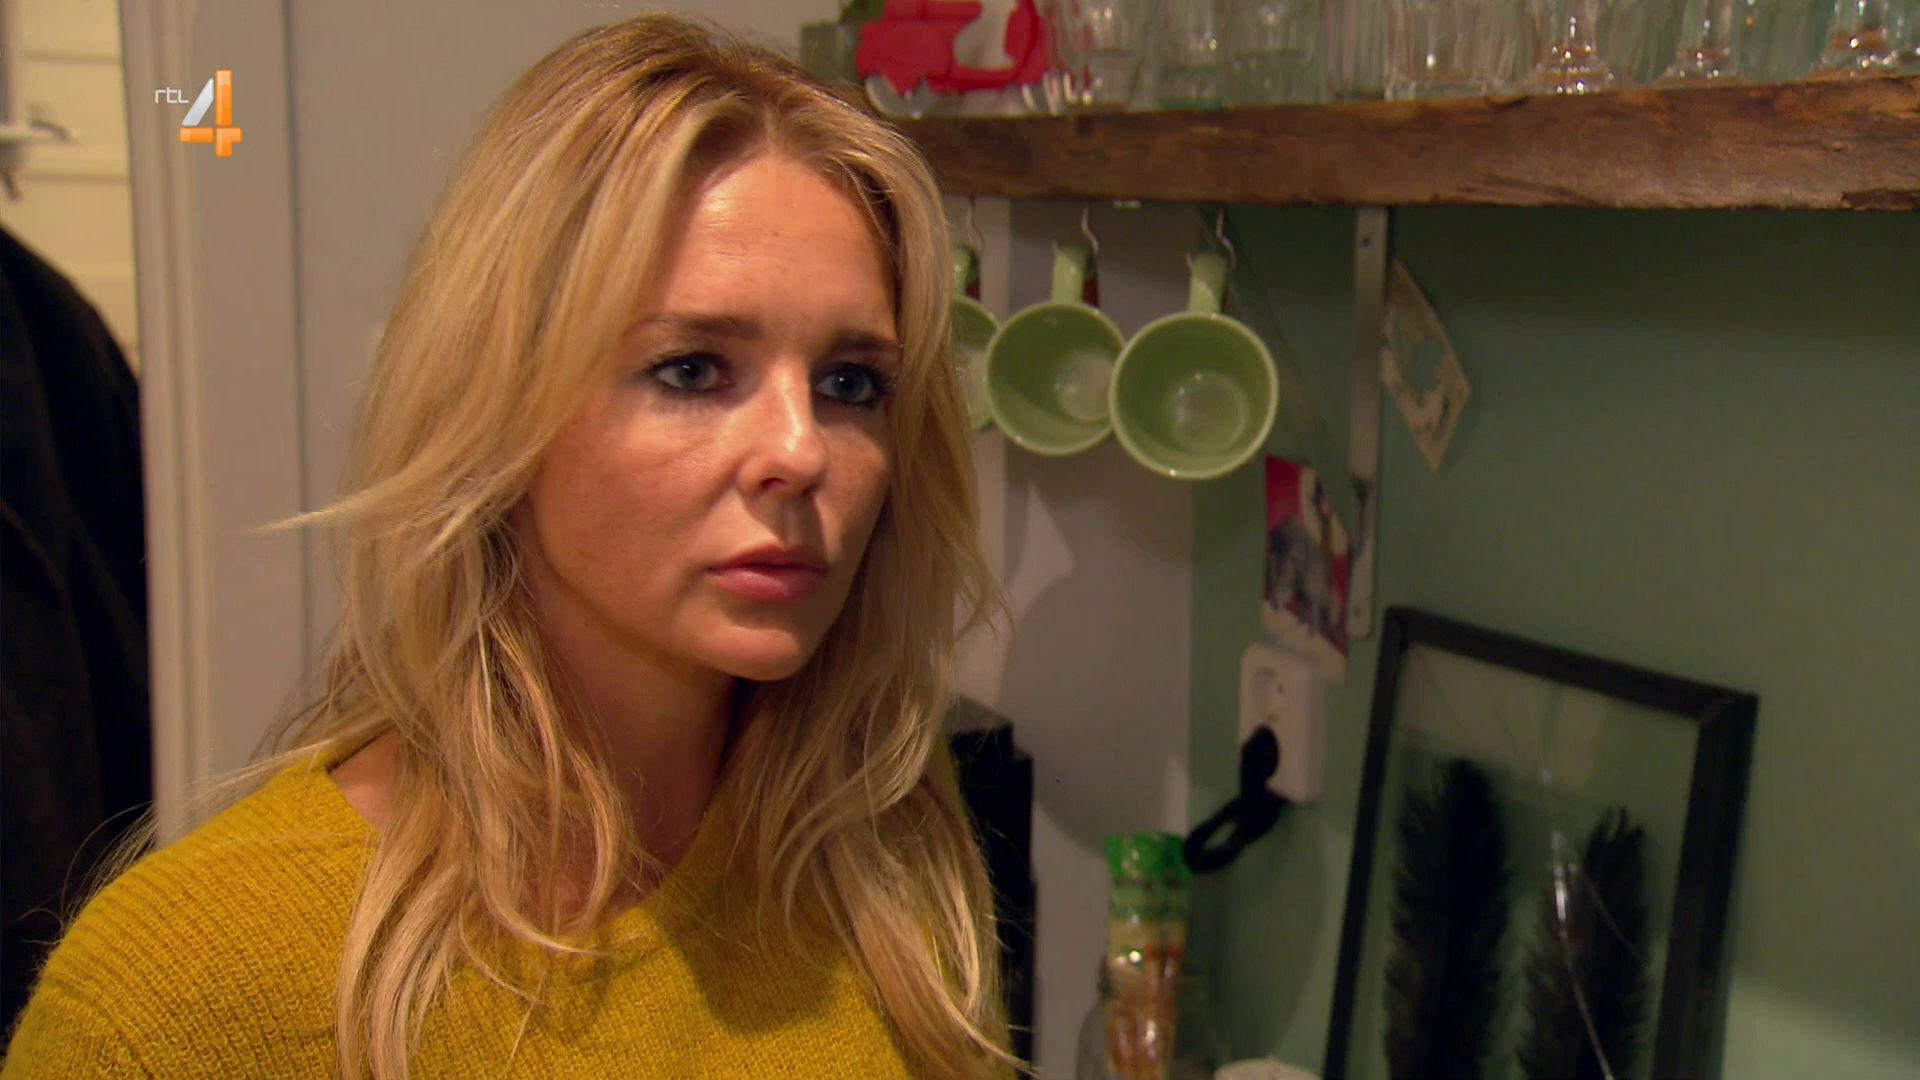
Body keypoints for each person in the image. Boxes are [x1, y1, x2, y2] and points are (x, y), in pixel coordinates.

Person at [2, 14, 1015, 1079]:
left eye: (851, 383)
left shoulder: (875, 839)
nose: (800, 452)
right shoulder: (177, 995)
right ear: (500, 406)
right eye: (691, 370)